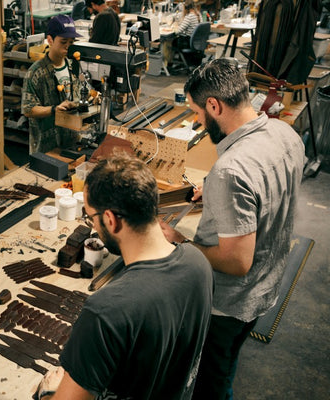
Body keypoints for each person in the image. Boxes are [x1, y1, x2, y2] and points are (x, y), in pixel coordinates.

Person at [160, 59, 306, 399]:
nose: (197, 120)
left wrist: (181, 241)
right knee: (228, 360)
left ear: (215, 105)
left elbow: (236, 261)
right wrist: (213, 194)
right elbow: (267, 197)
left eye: (197, 112)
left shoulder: (231, 170)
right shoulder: (284, 133)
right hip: (266, 286)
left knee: (213, 381)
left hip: (228, 304)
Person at [36, 153, 214, 400]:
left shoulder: (106, 312)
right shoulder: (199, 264)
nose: (93, 226)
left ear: (110, 219)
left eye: (91, 217)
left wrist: (49, 392)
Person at [22, 15, 82, 154]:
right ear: (50, 40)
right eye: (63, 41)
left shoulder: (73, 65)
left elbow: (78, 92)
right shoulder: (36, 72)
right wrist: (54, 109)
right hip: (46, 146)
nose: (68, 46)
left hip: (71, 140)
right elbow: (28, 109)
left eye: (71, 42)